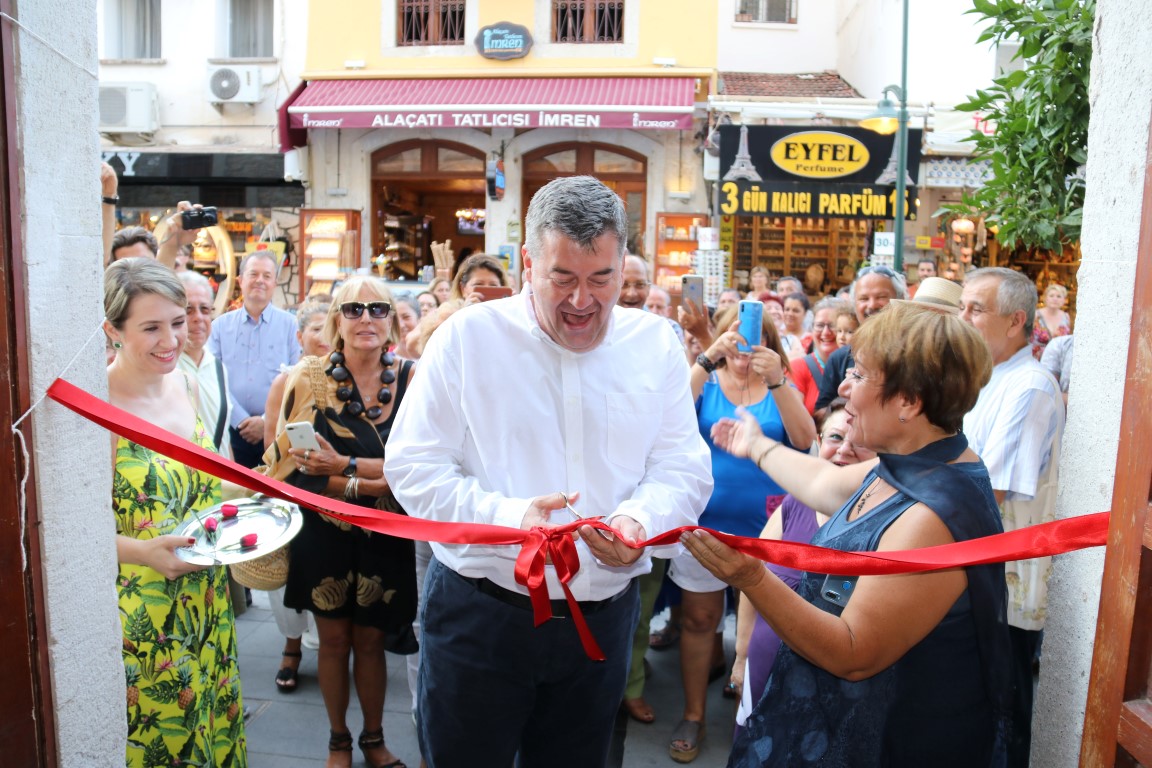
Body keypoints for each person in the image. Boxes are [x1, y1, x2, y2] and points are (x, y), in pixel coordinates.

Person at [384, 175, 712, 768]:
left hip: (603, 621)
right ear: (528, 261)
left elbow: (682, 466)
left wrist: (639, 520)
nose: (582, 301)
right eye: (562, 278)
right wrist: (511, 520)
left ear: (624, 265)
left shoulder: (656, 344)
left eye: (601, 279)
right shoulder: (466, 339)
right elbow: (413, 466)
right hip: (480, 618)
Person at [687, 300, 1011, 767]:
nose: (842, 386)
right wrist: (756, 446)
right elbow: (821, 484)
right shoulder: (917, 460)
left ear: (909, 402)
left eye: (858, 376)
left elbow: (853, 651)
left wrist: (752, 579)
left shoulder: (933, 516)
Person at [263, 276, 417, 768]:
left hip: (385, 534)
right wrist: (373, 481)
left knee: (371, 640)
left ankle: (374, 739)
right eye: (353, 309)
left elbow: (418, 470)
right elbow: (295, 468)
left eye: (377, 308)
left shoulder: (414, 379)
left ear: (391, 320)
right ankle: (337, 741)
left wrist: (347, 471)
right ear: (336, 321)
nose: (366, 318)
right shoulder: (308, 379)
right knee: (331, 641)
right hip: (323, 531)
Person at [104, 258, 246, 766]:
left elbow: (208, 482)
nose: (172, 339)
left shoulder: (185, 384)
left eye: (179, 321)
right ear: (113, 331)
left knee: (211, 732)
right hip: (145, 619)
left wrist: (266, 492)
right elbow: (63, 534)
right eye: (151, 327)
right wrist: (142, 551)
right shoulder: (93, 408)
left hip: (208, 598)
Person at [672, 304, 816, 763]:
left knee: (760, 628)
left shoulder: (779, 385)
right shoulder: (707, 380)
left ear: (769, 343)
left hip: (766, 529)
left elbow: (804, 438)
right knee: (698, 620)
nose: (741, 344)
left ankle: (746, 716)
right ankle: (693, 714)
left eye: (751, 335)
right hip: (706, 523)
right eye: (732, 334)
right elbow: (669, 413)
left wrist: (778, 380)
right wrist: (705, 358)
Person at [960, 267, 1065, 768]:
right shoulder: (986, 379)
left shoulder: (1030, 386)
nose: (963, 319)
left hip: (1004, 581)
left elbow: (988, 491)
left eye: (975, 309)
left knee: (1003, 716)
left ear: (1016, 320)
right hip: (973, 571)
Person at [731, 399, 876, 734]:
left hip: (837, 692)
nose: (845, 450)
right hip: (764, 667)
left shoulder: (888, 526)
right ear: (819, 443)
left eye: (861, 442)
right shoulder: (793, 504)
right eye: (835, 438)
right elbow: (755, 580)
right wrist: (741, 657)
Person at [208, 251, 302, 467]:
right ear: (240, 280)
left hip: (277, 430)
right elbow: (213, 378)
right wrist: (240, 420)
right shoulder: (219, 327)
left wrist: (264, 420)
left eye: (267, 276)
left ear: (275, 283)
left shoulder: (292, 326)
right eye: (253, 274)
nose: (260, 280)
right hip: (231, 429)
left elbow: (296, 378)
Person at [815, 264, 906, 411]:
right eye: (863, 298)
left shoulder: (915, 353)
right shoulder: (840, 358)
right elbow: (820, 414)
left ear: (900, 299)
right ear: (854, 304)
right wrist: (849, 395)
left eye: (881, 297)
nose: (872, 305)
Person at [176, 271, 232, 459]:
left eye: (205, 309)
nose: (198, 318)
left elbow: (223, 434)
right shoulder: (164, 368)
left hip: (221, 484)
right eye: (188, 310)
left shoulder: (218, 367)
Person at [788, 297, 846, 415]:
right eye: (819, 326)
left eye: (833, 325)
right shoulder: (798, 367)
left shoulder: (857, 367)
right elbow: (793, 420)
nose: (825, 332)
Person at [1031, 282, 1072, 360]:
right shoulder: (1035, 315)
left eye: (1059, 296)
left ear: (1064, 300)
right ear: (1045, 298)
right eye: (1051, 296)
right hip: (1036, 360)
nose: (1055, 299)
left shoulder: (1066, 317)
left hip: (1057, 361)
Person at [391, 293, 422, 359]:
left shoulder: (432, 358)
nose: (400, 325)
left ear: (419, 319)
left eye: (406, 317)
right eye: (395, 319)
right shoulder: (385, 363)